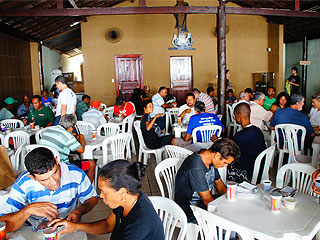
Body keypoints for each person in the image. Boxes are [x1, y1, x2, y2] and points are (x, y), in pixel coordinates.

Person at [49, 160, 165, 240]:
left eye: (104, 192)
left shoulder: (140, 224)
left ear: (122, 192)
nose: (100, 196)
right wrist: (74, 226)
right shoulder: (127, 200)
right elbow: (107, 225)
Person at [0, 147, 98, 232]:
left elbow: (92, 198)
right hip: (31, 229)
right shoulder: (23, 183)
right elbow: (4, 225)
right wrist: (27, 211)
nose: (54, 182)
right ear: (32, 177)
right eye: (44, 179)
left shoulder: (75, 173)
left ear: (56, 161)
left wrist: (79, 211)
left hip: (66, 226)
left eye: (55, 173)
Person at [175, 138, 240, 223]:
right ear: (217, 156)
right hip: (188, 207)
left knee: (234, 210)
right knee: (225, 222)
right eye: (225, 163)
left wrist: (232, 201)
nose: (225, 166)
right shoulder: (196, 167)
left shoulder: (210, 160)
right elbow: (207, 200)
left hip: (202, 201)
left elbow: (220, 187)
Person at [39, 114, 96, 183]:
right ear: (71, 128)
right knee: (91, 164)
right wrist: (81, 137)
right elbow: (81, 150)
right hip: (60, 167)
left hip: (44, 164)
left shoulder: (49, 129)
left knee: (71, 157)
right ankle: (87, 189)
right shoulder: (67, 136)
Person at [232, 103, 266, 181]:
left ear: (238, 115)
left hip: (247, 172)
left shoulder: (240, 136)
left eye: (234, 116)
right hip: (259, 169)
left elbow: (229, 152)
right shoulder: (258, 130)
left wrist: (216, 141)